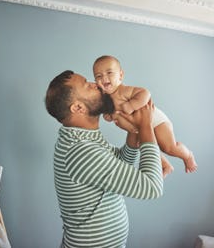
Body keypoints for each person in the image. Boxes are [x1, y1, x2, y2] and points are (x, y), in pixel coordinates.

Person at [45, 70, 164, 248]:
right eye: (88, 85)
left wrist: (134, 131)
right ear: (78, 108)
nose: (97, 84)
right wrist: (145, 124)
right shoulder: (80, 151)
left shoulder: (82, 139)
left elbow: (120, 164)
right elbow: (152, 188)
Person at [93, 55, 198, 173]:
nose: (104, 78)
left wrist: (132, 105)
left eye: (109, 73)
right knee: (146, 147)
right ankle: (165, 165)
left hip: (156, 121)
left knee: (168, 147)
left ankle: (187, 155)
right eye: (98, 76)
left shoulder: (123, 90)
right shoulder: (105, 99)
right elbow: (112, 114)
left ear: (121, 75)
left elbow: (145, 93)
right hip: (139, 129)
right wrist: (108, 116)